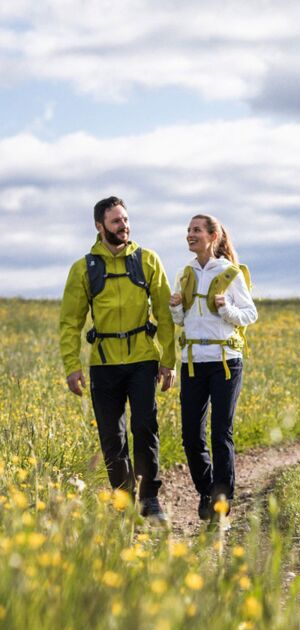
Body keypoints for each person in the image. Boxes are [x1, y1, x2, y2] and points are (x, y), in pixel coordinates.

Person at [60, 197, 176, 521]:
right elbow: (70, 322)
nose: (124, 226)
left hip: (142, 360)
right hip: (103, 364)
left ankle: (150, 499)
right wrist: (72, 366)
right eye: (116, 222)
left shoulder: (147, 260)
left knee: (145, 428)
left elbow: (165, 314)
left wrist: (169, 360)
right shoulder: (84, 268)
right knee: (112, 437)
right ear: (99, 227)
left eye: (125, 220)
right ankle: (123, 499)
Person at [169, 214, 257, 524]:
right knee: (191, 435)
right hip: (193, 361)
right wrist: (176, 306)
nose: (190, 235)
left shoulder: (231, 273)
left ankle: (221, 498)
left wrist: (227, 309)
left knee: (221, 432)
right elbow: (179, 321)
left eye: (196, 230)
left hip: (225, 361)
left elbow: (250, 314)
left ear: (213, 236)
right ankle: (206, 490)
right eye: (189, 230)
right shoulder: (185, 274)